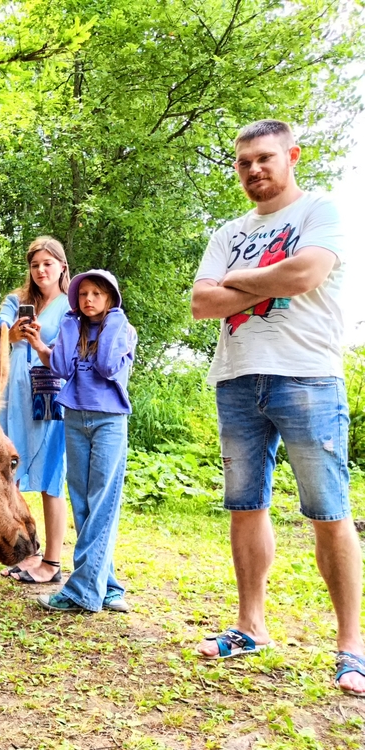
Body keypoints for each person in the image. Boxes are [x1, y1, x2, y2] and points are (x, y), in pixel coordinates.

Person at [190, 119, 364, 695]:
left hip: (309, 378)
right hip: (236, 378)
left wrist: (239, 281)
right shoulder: (227, 230)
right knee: (246, 504)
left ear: (291, 156)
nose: (254, 170)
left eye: (265, 158)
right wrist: (272, 280)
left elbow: (309, 271)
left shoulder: (320, 212)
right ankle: (250, 627)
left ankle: (351, 647)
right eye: (244, 163)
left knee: (329, 511)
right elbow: (201, 302)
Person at [32, 269, 136, 613]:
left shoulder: (121, 328)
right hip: (74, 417)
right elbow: (60, 367)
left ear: (110, 298)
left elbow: (107, 365)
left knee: (102, 503)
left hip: (108, 419)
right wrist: (64, 327)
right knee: (83, 504)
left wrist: (113, 320)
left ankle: (82, 591)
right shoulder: (72, 325)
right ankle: (107, 586)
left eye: (97, 294)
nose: (88, 300)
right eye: (83, 294)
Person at [0, 236, 72, 585]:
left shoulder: (72, 304)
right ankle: (30, 554)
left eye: (48, 263)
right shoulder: (18, 300)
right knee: (12, 473)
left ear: (62, 266)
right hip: (16, 396)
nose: (41, 270)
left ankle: (53, 562)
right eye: (35, 264)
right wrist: (12, 334)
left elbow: (71, 351)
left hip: (50, 395)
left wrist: (43, 343)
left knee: (51, 478)